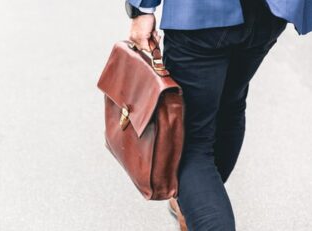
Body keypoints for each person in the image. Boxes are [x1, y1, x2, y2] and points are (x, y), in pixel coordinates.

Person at [125, 0, 311, 230]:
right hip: (268, 13)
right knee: (230, 104)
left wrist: (141, 8)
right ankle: (198, 200)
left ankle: (201, 202)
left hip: (202, 13)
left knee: (190, 142)